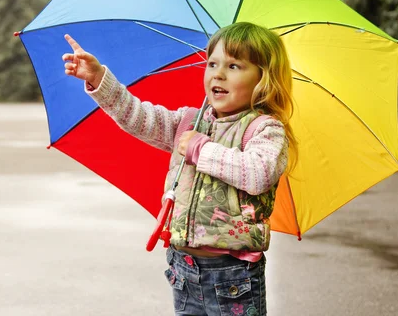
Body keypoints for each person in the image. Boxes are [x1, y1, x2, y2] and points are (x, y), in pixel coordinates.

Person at [62, 22, 297, 316]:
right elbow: (138, 116)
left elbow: (258, 173)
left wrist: (200, 148)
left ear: (264, 79)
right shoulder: (188, 121)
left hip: (233, 275)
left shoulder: (265, 130)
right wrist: (100, 80)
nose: (218, 74)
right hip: (183, 269)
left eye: (235, 66)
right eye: (212, 63)